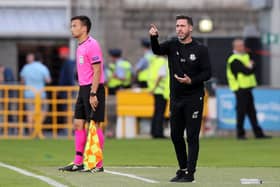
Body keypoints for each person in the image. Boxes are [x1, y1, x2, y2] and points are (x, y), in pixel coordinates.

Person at [149, 15, 211, 182]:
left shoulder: (200, 49)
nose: (179, 29)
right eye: (177, 26)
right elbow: (156, 50)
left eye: (183, 26)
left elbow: (207, 73)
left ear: (190, 28)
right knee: (176, 136)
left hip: (194, 98)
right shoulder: (171, 45)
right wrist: (154, 38)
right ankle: (183, 169)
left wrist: (192, 80)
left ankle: (190, 173)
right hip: (176, 98)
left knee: (191, 136)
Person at [59, 15, 105, 172]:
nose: (72, 28)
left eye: (74, 25)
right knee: (78, 124)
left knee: (94, 125)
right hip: (83, 88)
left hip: (94, 89)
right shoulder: (80, 46)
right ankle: (78, 162)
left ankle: (97, 164)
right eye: (71, 26)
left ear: (84, 28)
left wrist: (93, 93)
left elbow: (97, 70)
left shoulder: (93, 45)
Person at [226, 39, 271, 140]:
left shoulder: (244, 56)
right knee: (241, 111)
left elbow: (253, 67)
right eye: (241, 45)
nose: (243, 47)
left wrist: (250, 66)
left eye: (243, 45)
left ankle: (258, 133)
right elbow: (246, 71)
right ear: (235, 47)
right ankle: (240, 134)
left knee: (252, 111)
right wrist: (250, 67)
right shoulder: (233, 59)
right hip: (240, 88)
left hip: (247, 88)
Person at [20, 52, 51, 135]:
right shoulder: (43, 67)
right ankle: (38, 126)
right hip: (40, 94)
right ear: (41, 60)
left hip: (28, 93)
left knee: (30, 112)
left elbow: (22, 81)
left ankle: (31, 131)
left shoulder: (26, 67)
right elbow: (48, 80)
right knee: (44, 109)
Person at [147, 55, 169, 138]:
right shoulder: (163, 62)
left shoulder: (154, 61)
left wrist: (152, 88)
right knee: (160, 113)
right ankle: (159, 133)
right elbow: (161, 75)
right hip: (161, 90)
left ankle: (153, 131)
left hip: (156, 90)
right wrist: (154, 87)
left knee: (156, 112)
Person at [57, 46, 76, 125]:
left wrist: (72, 89)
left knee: (69, 110)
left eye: (61, 53)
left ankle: (69, 128)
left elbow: (70, 77)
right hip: (66, 91)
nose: (60, 55)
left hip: (68, 91)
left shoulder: (68, 63)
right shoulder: (66, 63)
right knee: (67, 110)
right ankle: (68, 127)